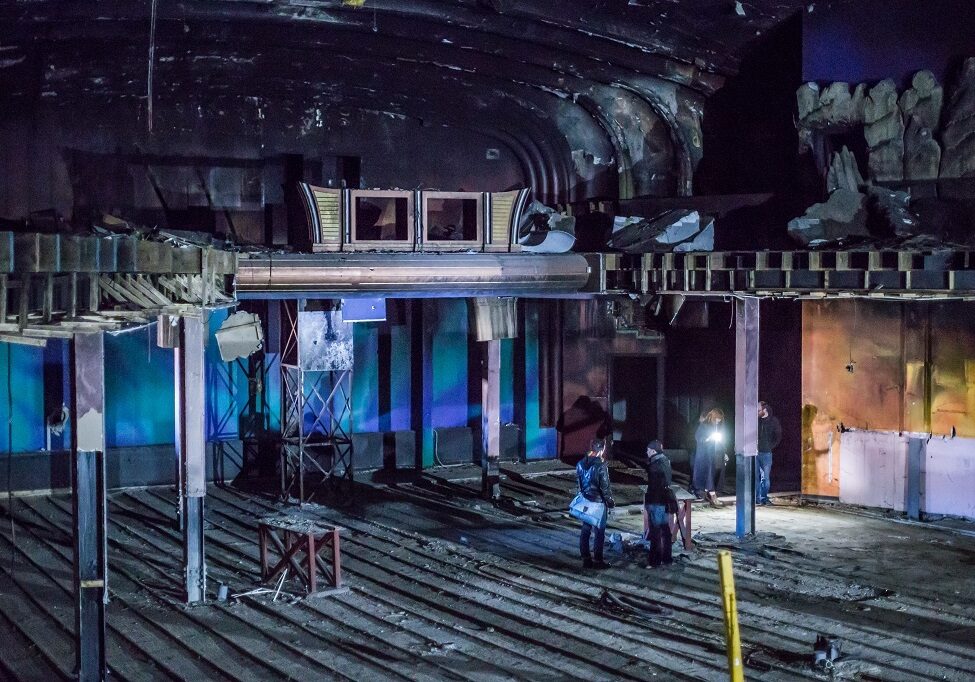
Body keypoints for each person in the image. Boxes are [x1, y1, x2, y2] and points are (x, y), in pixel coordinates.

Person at [576, 438, 615, 569]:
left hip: (586, 500)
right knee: (599, 533)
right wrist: (610, 503)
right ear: (602, 449)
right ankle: (598, 561)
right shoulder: (601, 466)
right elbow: (605, 487)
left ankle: (586, 559)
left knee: (585, 530)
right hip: (598, 503)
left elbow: (580, 484)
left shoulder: (580, 463)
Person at [643, 440, 675, 568]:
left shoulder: (654, 466)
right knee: (665, 530)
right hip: (665, 501)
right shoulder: (666, 461)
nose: (646, 452)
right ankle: (667, 558)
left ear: (653, 451)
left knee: (655, 532)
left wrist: (649, 503)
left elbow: (654, 486)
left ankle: (654, 561)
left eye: (648, 450)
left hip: (656, 501)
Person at [692, 408, 727, 508]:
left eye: (720, 419)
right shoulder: (704, 425)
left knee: (716, 475)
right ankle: (712, 495)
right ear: (712, 417)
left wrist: (725, 453)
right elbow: (698, 437)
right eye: (717, 419)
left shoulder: (720, 427)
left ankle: (711, 492)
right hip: (706, 455)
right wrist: (708, 439)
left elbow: (723, 441)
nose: (718, 421)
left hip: (717, 454)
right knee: (709, 475)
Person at [756, 401, 782, 506]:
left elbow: (778, 436)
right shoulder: (756, 421)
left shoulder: (773, 421)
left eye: (759, 410)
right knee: (755, 477)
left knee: (765, 478)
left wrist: (770, 446)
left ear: (764, 410)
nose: (757, 412)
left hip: (766, 453)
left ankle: (764, 498)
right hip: (755, 453)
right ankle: (756, 498)